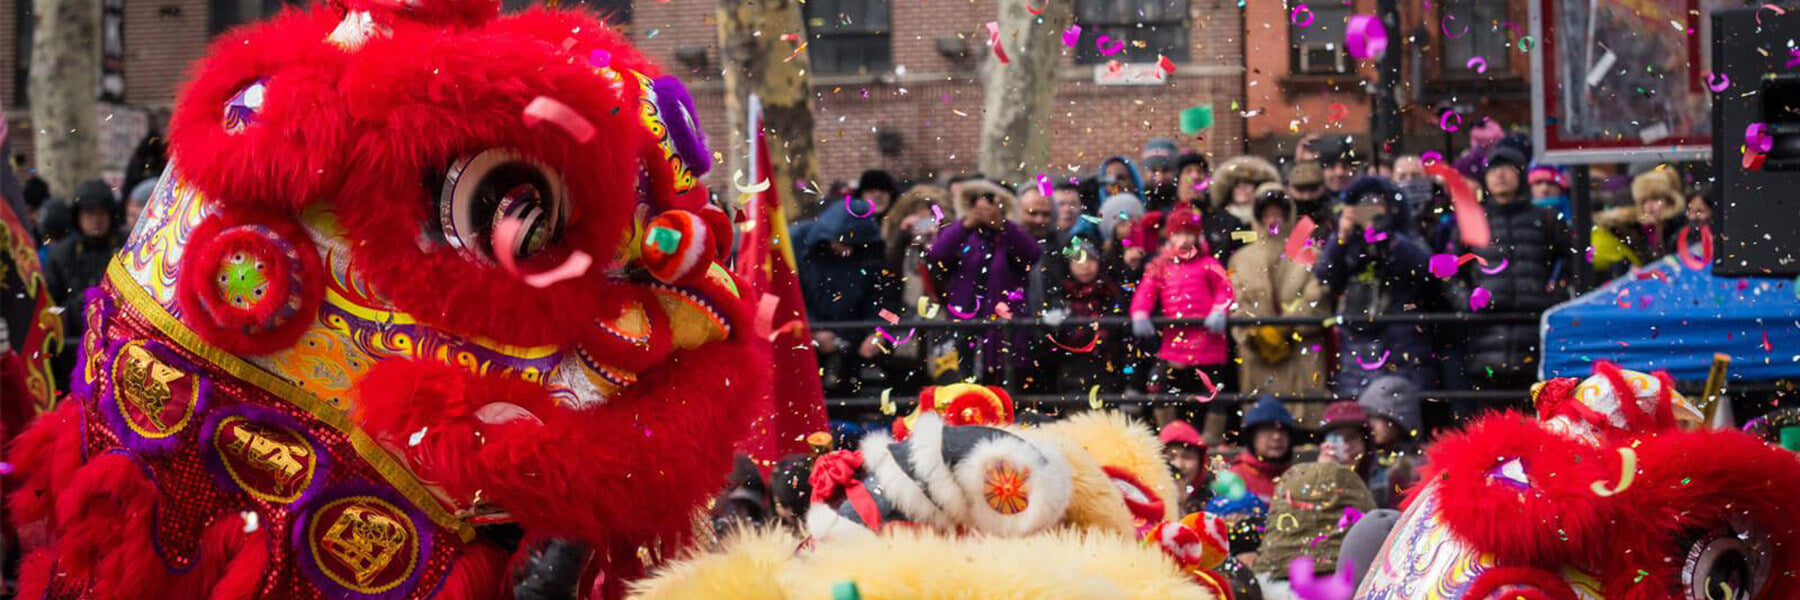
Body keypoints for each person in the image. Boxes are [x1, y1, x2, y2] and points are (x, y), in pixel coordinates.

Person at [1459, 146, 1571, 394]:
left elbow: (1570, 262)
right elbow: (1450, 270)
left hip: (1533, 328)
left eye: (1507, 168)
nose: (1500, 175)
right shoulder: (1472, 220)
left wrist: (1556, 296)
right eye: (1494, 169)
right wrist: (1465, 300)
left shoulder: (1546, 218)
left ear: (1520, 174)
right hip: (1485, 331)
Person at [1316, 176, 1437, 397]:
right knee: (1356, 406)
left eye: (1375, 203)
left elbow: (1425, 269)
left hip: (1400, 338)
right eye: (1363, 204)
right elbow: (1325, 276)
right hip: (1356, 338)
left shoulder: (1404, 237)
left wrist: (1385, 237)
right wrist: (1340, 238)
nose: (1368, 209)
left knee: (1398, 407)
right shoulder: (1348, 240)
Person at [1229, 185, 1328, 423]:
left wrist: (1289, 324)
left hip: (1301, 348)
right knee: (1262, 420)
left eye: (1278, 213)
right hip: (1258, 353)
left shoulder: (1310, 254)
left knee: (1305, 414)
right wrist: (1256, 331)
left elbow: (1318, 295)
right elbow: (1234, 301)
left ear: (1288, 215)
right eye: (1266, 213)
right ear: (1258, 217)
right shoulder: (1240, 259)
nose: (1273, 219)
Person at [926, 179, 1042, 382]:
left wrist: (1002, 226)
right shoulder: (960, 233)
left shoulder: (1011, 234)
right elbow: (937, 256)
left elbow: (1031, 255)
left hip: (1003, 331)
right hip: (964, 326)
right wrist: (965, 225)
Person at [1131, 209, 1234, 428]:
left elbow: (1225, 289)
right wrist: (1140, 312)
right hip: (1174, 344)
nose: (1184, 239)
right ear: (1170, 237)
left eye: (1189, 233)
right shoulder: (1161, 265)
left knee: (1214, 391)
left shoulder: (1209, 264)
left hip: (1208, 342)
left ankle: (1212, 438)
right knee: (1158, 385)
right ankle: (1168, 433)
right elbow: (1146, 292)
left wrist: (1219, 310)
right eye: (1179, 234)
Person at [793, 170, 894, 393]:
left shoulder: (870, 258)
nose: (847, 250)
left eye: (853, 245)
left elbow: (886, 306)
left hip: (852, 346)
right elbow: (787, 297)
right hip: (804, 345)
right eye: (842, 243)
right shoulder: (799, 247)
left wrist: (880, 333)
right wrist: (813, 331)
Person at [43, 180, 123, 390]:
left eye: (101, 213)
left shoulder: (126, 247)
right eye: (89, 213)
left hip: (118, 341)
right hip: (74, 343)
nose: (96, 220)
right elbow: (50, 304)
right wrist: (77, 307)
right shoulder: (60, 254)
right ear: (78, 216)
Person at [876, 184, 950, 387]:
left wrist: (936, 245)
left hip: (939, 326)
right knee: (906, 383)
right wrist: (902, 235)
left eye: (928, 219)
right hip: (905, 326)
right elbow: (890, 278)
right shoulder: (898, 248)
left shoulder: (945, 245)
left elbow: (945, 285)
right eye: (919, 219)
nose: (923, 226)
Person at [1044, 239, 1125, 391]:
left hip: (1106, 365)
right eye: (1078, 260)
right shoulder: (1061, 295)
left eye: (1091, 259)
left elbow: (1119, 328)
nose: (1085, 266)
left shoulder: (1110, 290)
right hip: (1071, 367)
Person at [1356, 375, 1423, 509]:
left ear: (1399, 420)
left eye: (1377, 417)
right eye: (1368, 417)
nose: (1370, 424)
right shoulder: (1363, 456)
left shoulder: (1419, 465)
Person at [1205, 155, 1279, 262]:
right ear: (1230, 190)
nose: (1243, 189)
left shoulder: (1266, 217)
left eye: (1248, 184)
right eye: (1238, 185)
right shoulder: (1218, 218)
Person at [1228, 395, 1296, 502]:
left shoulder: (1296, 476)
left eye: (1282, 430)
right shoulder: (1236, 477)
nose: (1277, 437)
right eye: (1267, 429)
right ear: (1252, 437)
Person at [1098, 192, 1149, 287]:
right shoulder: (1109, 258)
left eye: (1133, 221)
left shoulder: (1149, 247)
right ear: (1114, 231)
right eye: (1123, 224)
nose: (1130, 227)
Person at [1159, 418, 1209, 514]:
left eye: (1187, 457)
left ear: (1201, 461)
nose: (1179, 465)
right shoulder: (1144, 502)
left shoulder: (1216, 501)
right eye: (1171, 457)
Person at [1316, 401, 1373, 478]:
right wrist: (1324, 474)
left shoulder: (1383, 478)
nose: (1345, 447)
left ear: (1366, 443)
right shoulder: (1308, 478)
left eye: (1352, 438)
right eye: (1336, 439)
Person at [1141, 138, 1181, 211]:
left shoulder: (1183, 205)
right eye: (1154, 170)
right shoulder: (1137, 205)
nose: (1160, 178)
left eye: (1166, 170)